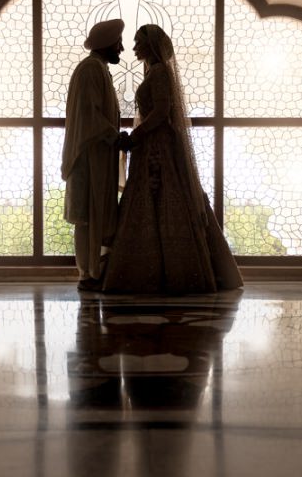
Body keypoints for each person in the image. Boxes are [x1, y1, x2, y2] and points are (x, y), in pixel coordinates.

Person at [101, 24, 244, 294]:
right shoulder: (156, 72)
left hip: (158, 144)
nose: (134, 48)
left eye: (138, 42)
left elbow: (161, 112)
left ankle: (167, 271)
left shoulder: (159, 73)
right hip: (153, 142)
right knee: (158, 198)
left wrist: (135, 136)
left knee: (164, 196)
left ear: (151, 45)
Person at [61, 18, 131, 292]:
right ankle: (87, 274)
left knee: (95, 214)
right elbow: (91, 115)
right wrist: (117, 137)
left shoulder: (97, 69)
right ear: (107, 45)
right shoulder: (91, 69)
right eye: (118, 43)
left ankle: (94, 270)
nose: (122, 49)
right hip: (89, 157)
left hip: (98, 155)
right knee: (88, 216)